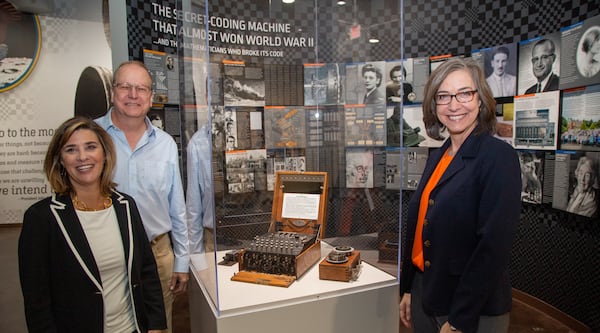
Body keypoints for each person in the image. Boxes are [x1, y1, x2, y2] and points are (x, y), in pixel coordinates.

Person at [399, 58, 521, 333]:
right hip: (426, 292)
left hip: (470, 309)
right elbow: (420, 228)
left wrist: (460, 319)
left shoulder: (498, 157)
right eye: (443, 96)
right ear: (434, 104)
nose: (454, 105)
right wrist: (409, 289)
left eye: (465, 93)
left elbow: (492, 248)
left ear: (481, 99)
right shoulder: (439, 155)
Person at [18, 117, 166, 333]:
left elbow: (146, 271)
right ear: (60, 160)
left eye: (90, 147)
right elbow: (37, 303)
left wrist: (155, 325)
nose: (82, 157)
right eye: (71, 149)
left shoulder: (125, 206)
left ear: (104, 154)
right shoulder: (42, 218)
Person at [96, 60, 188, 333]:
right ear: (113, 93)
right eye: (125, 87)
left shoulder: (165, 145)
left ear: (150, 97)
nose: (133, 95)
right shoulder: (91, 138)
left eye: (141, 88)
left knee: (158, 325)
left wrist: (181, 261)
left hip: (157, 253)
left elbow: (177, 207)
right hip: (105, 254)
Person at [186, 125, 216, 254]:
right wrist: (196, 255)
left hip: (263, 232)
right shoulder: (199, 142)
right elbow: (194, 202)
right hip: (215, 239)